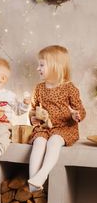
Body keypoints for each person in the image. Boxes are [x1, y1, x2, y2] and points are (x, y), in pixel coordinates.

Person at [28, 45, 86, 192]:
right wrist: (33, 117)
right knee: (39, 142)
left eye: (41, 65)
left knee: (54, 143)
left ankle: (41, 175)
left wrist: (76, 115)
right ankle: (33, 179)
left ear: (55, 66)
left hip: (64, 129)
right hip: (45, 127)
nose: (37, 68)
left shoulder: (69, 87)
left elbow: (80, 110)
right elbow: (33, 109)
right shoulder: (39, 88)